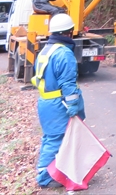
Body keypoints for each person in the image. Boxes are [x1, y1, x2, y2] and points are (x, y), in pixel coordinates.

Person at [32, 13, 86, 188]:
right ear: (68, 33)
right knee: (57, 139)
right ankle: (46, 177)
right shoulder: (64, 53)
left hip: (45, 102)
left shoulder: (45, 51)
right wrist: (72, 105)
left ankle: (47, 171)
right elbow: (68, 84)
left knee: (50, 137)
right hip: (58, 104)